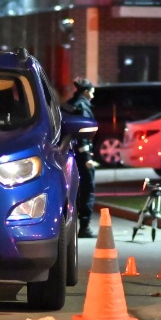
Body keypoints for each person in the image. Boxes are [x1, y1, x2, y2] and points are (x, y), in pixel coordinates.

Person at [67, 77, 99, 238]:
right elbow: (83, 134)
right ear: (86, 92)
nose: (93, 96)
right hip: (81, 155)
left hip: (67, 154)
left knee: (71, 189)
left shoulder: (68, 104)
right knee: (87, 188)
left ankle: (68, 225)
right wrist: (87, 158)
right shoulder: (83, 107)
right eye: (92, 92)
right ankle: (84, 227)